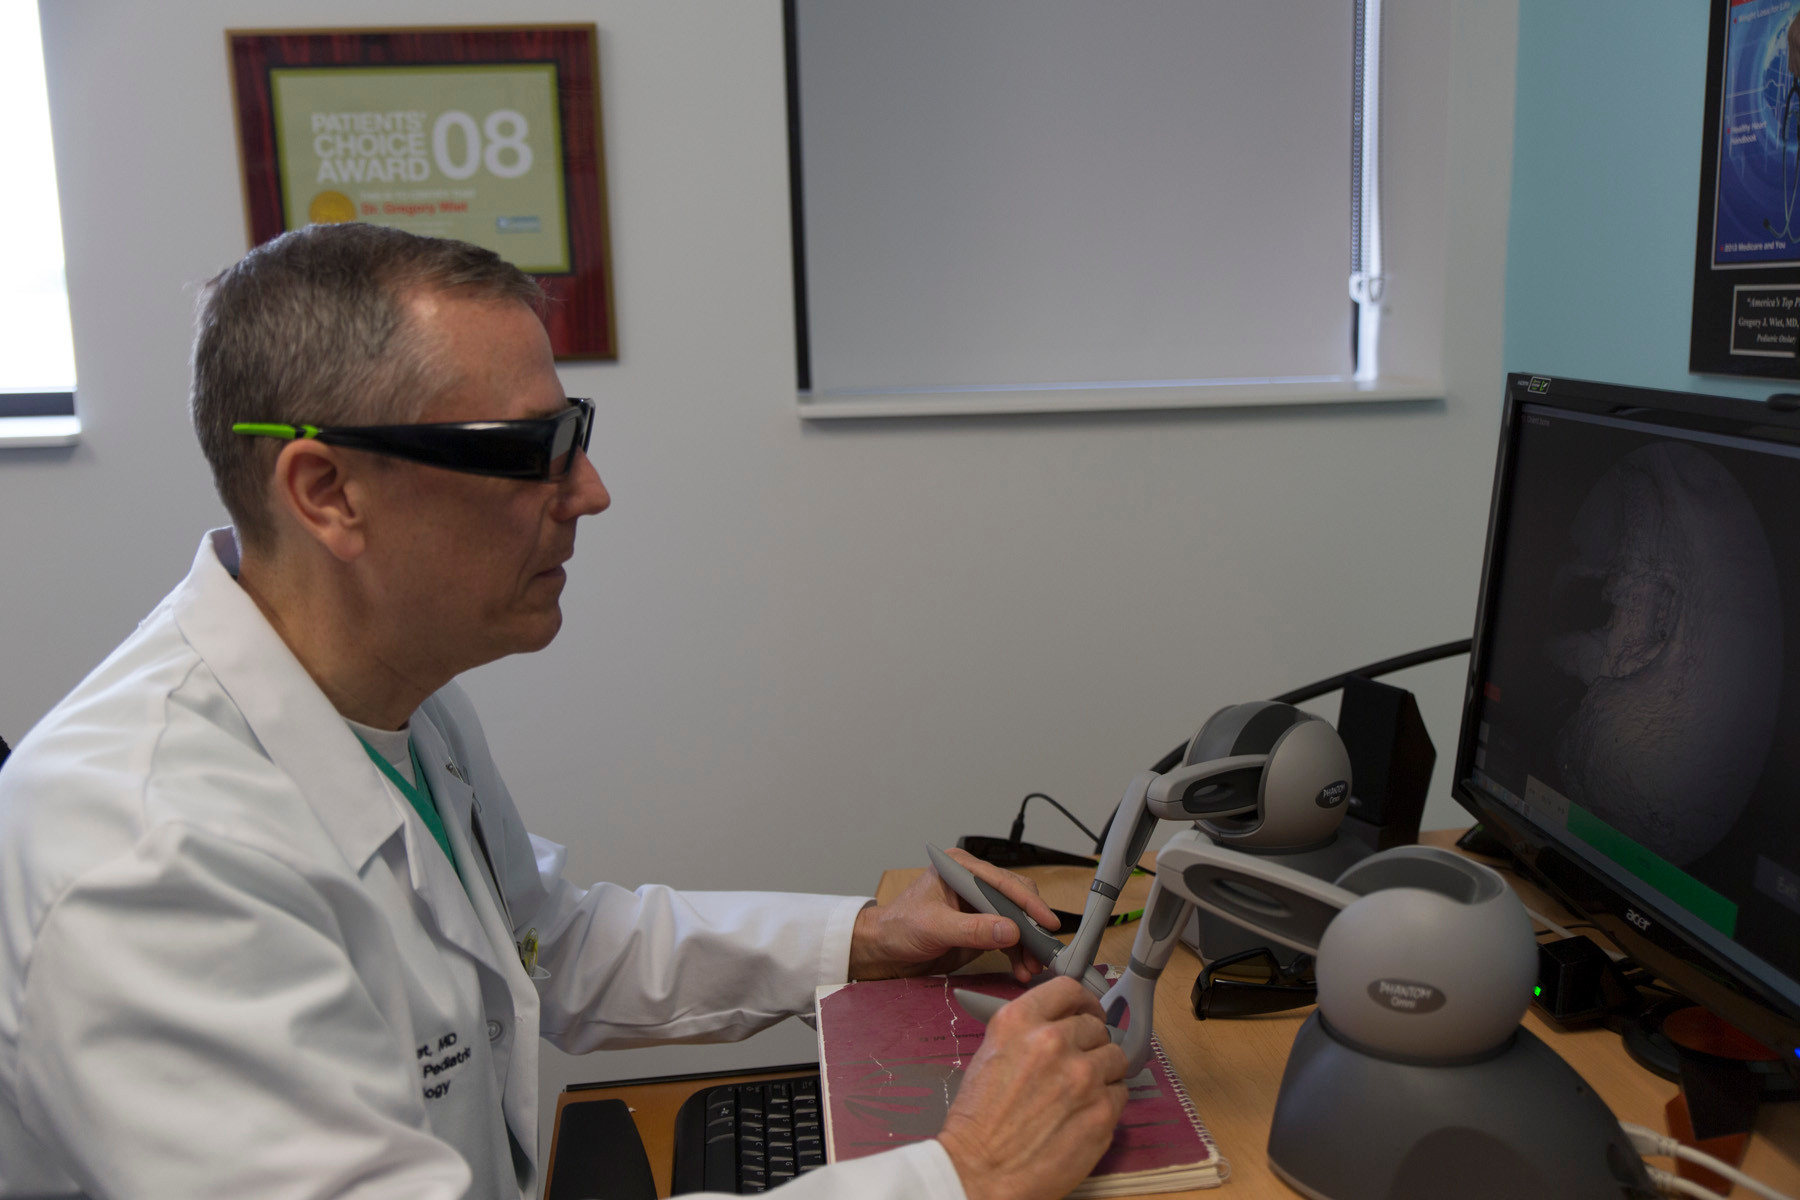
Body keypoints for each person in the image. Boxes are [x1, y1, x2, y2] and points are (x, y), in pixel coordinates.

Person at [0, 224, 1127, 1199]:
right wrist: (961, 1172)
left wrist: (865, 940)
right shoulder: (143, 859)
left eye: (573, 431)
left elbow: (548, 944)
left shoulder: (384, 698)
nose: (588, 490)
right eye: (533, 451)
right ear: (327, 492)